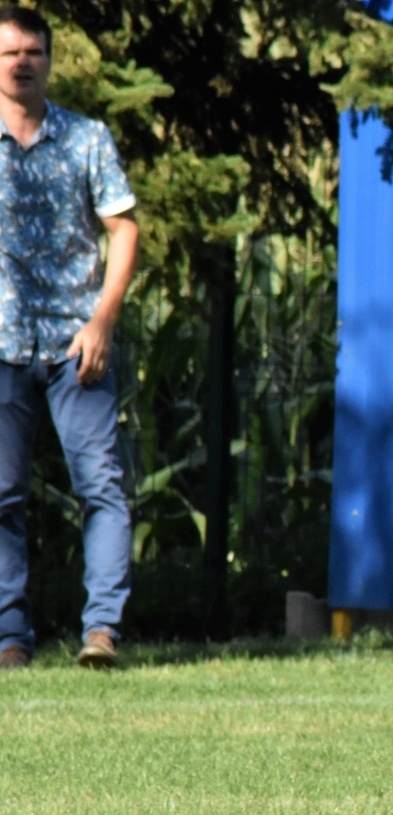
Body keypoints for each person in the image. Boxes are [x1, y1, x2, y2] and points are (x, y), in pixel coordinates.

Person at [0, 7, 139, 670]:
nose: (21, 63)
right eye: (9, 53)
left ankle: (102, 632)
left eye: (32, 52)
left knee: (101, 486)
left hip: (77, 347)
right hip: (3, 345)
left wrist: (103, 319)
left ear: (50, 61)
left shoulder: (86, 139)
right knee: (1, 496)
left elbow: (124, 228)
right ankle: (9, 640)